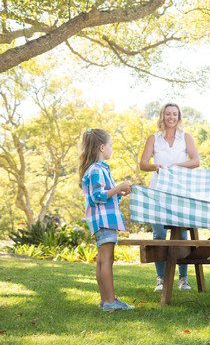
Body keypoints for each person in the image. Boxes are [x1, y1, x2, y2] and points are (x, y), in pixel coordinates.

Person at [140, 103, 200, 292]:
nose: (171, 117)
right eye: (168, 114)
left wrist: (175, 166)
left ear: (179, 117)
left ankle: (183, 279)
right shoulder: (154, 138)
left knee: (181, 235)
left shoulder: (186, 137)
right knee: (159, 235)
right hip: (157, 193)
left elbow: (195, 161)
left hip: (179, 192)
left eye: (174, 114)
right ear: (162, 116)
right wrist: (156, 166)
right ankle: (161, 279)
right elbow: (143, 164)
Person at [79, 128, 135, 311]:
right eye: (110, 145)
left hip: (102, 219)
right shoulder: (96, 169)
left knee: (103, 260)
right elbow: (97, 196)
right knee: (107, 260)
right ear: (102, 147)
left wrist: (120, 193)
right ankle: (111, 302)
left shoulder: (99, 169)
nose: (112, 149)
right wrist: (118, 187)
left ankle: (105, 300)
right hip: (104, 221)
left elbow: (106, 196)